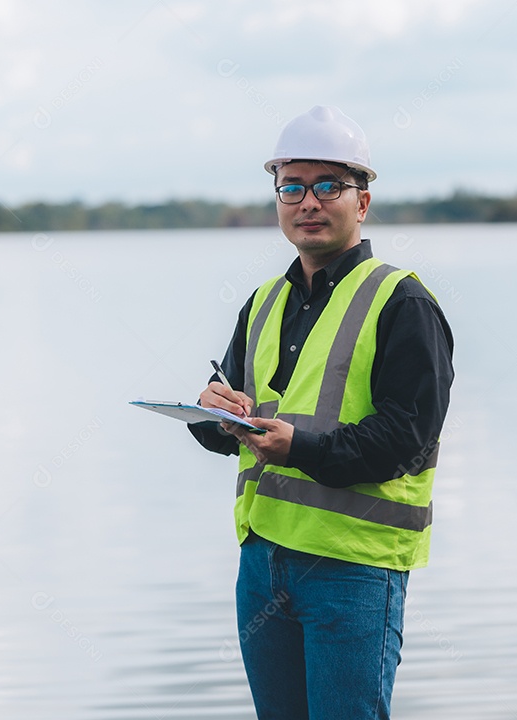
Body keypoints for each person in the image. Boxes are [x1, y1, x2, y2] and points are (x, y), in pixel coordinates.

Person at [189, 105, 454, 719]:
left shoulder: (404, 301)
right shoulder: (263, 301)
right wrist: (209, 410)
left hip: (355, 568)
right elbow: (228, 426)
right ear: (278, 200)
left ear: (362, 202)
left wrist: (300, 449)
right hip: (262, 562)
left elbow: (407, 438)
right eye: (292, 186)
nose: (308, 201)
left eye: (328, 185)